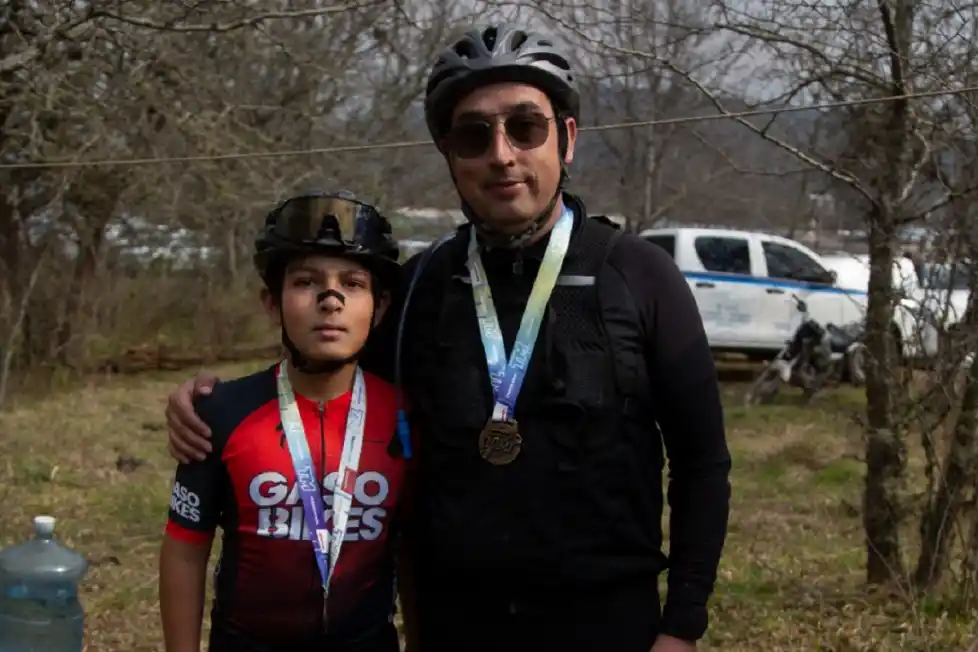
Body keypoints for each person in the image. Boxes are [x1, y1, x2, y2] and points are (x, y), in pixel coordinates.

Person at [163, 22, 731, 652]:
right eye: (473, 134)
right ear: (449, 154)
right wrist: (205, 400)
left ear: (566, 139)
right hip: (453, 626)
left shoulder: (639, 275)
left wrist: (682, 624)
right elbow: (323, 373)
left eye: (525, 127)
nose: (502, 153)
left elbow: (702, 462)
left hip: (606, 626)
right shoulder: (417, 289)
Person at [159, 191, 409, 652]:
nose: (330, 300)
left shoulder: (407, 417)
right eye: (306, 282)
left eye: (353, 284)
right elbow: (184, 550)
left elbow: (418, 554)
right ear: (272, 304)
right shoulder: (220, 413)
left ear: (381, 308)